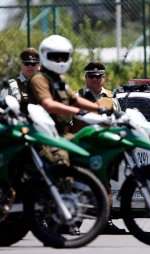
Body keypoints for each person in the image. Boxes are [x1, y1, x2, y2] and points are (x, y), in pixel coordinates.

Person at [27, 34, 124, 235]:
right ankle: (51, 218)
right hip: (43, 134)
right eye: (55, 57)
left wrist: (102, 110)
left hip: (61, 134)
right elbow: (50, 104)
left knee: (90, 162)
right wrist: (80, 113)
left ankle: (88, 216)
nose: (60, 61)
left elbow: (73, 101)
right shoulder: (39, 79)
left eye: (63, 57)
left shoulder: (58, 80)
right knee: (62, 165)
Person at [71, 60, 125, 235]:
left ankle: (105, 221)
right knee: (77, 184)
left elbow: (118, 123)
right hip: (81, 148)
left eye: (98, 76)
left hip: (103, 149)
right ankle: (73, 222)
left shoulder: (111, 98)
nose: (95, 79)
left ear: (104, 77)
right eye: (91, 76)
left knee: (104, 184)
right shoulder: (75, 96)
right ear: (85, 78)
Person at [0, 47, 40, 113]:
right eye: (26, 63)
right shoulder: (11, 85)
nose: (30, 66)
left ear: (38, 66)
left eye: (33, 64)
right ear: (21, 65)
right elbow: (1, 108)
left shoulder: (44, 85)